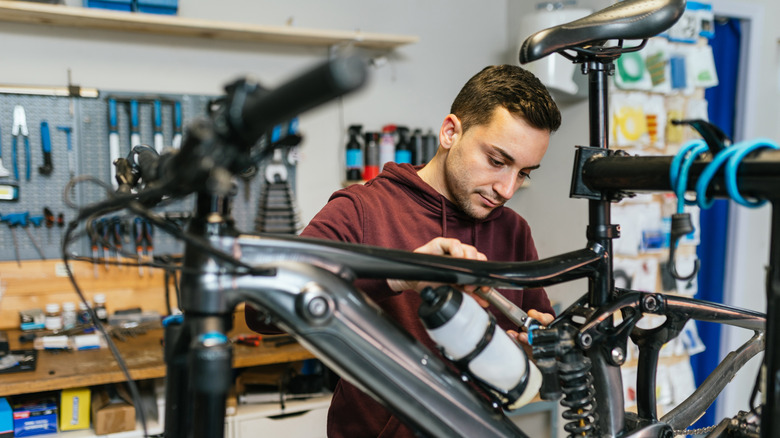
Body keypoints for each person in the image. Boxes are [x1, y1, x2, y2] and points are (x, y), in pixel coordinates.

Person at [249, 64, 561, 437]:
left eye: (525, 172)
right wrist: (397, 276)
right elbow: (262, 310)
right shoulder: (362, 210)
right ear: (450, 132)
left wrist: (537, 357)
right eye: (497, 161)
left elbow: (544, 373)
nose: (508, 189)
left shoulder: (512, 231)